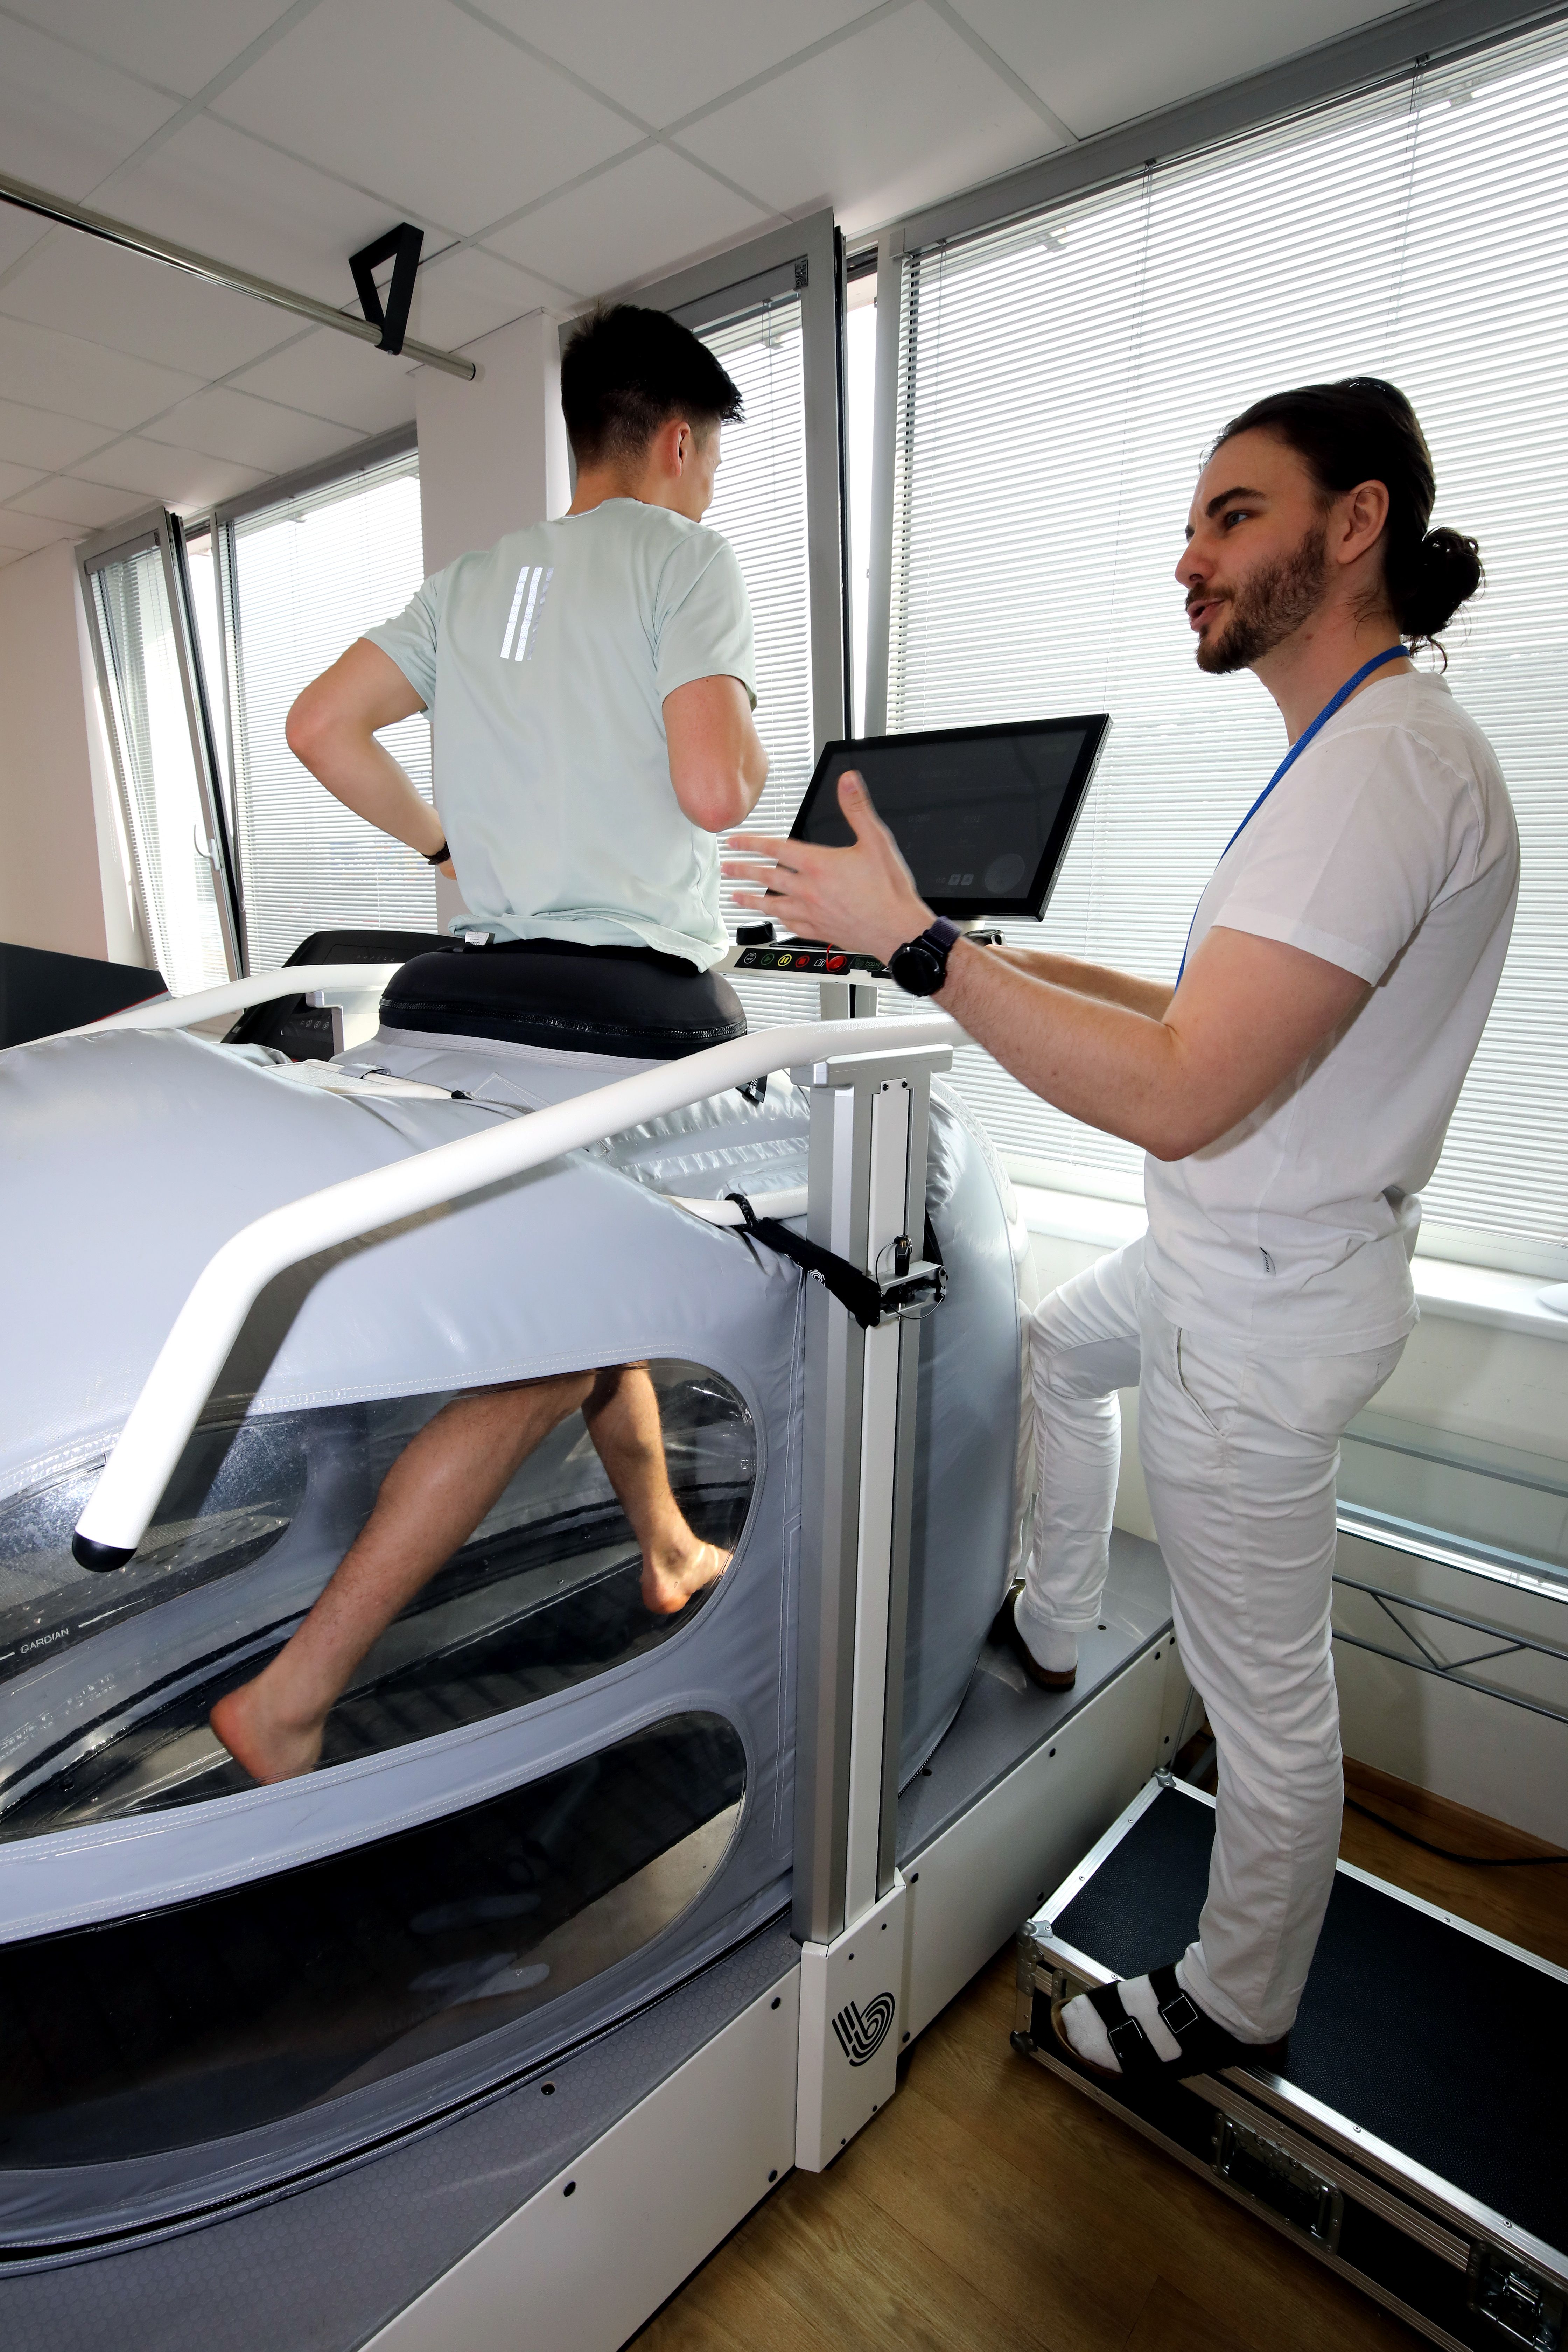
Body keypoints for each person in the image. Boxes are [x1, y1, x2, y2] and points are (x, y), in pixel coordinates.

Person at [724, 378, 1517, 2081]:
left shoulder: (1382, 769)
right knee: (1048, 1354)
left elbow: (1174, 1091)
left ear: (1354, 524)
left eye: (1232, 516)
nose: (1189, 557)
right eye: (1190, 523)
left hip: (1261, 1298)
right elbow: (1196, 1016)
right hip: (1231, 1254)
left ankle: (1235, 2000)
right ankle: (1059, 1617)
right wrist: (952, 944)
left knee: (1266, 1695)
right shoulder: (1356, 750)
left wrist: (927, 953)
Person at [212, 304, 769, 1785]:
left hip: (469, 998)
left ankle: (664, 1545)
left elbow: (321, 727)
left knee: (580, 1273)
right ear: (676, 441)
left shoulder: (471, 581)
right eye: (711, 458)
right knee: (554, 1345)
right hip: (622, 1019)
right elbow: (718, 793)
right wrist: (754, 745)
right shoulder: (685, 558)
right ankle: (293, 1696)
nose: (709, 483)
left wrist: (445, 843)